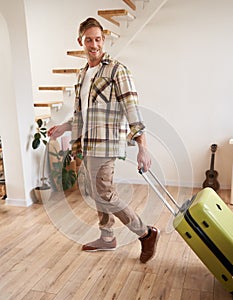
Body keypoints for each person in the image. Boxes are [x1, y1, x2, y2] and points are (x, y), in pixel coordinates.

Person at [48, 17, 160, 263]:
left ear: (103, 40)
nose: (94, 44)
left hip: (106, 143)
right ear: (81, 41)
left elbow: (132, 108)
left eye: (98, 39)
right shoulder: (82, 74)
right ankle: (107, 237)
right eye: (89, 39)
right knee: (97, 192)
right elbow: (82, 114)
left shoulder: (116, 70)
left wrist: (143, 146)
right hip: (88, 143)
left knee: (104, 194)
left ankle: (145, 233)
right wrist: (64, 128)